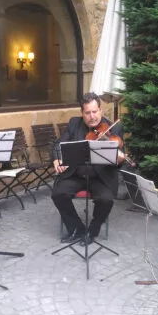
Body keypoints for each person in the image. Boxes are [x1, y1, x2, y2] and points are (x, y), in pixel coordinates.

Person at [51, 92, 125, 245]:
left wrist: (119, 159)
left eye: (94, 111)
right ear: (82, 113)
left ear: (100, 110)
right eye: (87, 113)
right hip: (76, 174)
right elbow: (58, 144)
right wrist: (57, 159)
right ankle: (77, 229)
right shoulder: (74, 123)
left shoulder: (114, 128)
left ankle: (93, 229)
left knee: (106, 199)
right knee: (58, 193)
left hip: (101, 177)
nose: (92, 116)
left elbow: (120, 158)